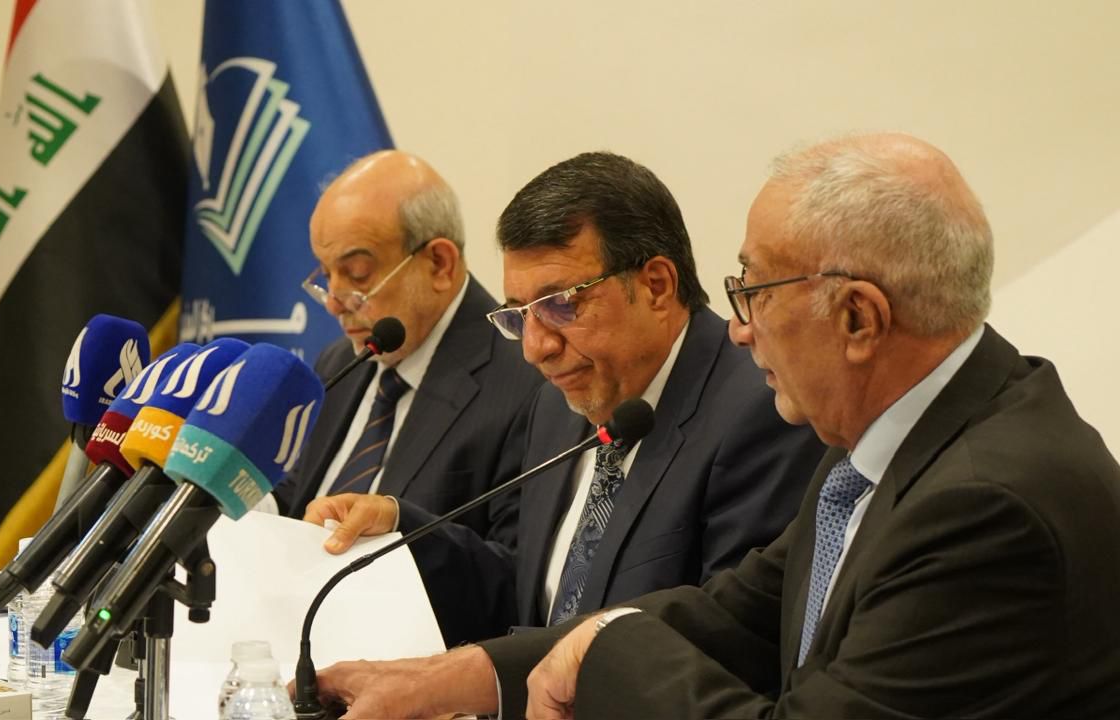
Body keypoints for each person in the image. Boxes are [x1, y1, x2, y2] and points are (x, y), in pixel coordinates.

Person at [308, 134, 1120, 719]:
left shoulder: (986, 506)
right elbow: (733, 613)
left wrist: (605, 648)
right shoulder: (884, 451)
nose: (737, 328)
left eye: (754, 292)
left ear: (858, 318)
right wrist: (455, 677)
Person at [303, 152, 825, 646]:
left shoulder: (759, 412)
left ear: (657, 286)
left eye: (559, 306)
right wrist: (401, 531)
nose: (536, 349)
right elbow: (532, 600)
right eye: (519, 315)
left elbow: (725, 642)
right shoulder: (559, 403)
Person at [268, 151, 544, 585]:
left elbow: (515, 580)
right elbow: (302, 494)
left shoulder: (529, 382)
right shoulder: (340, 361)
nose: (335, 303)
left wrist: (399, 523)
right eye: (326, 275)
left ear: (439, 264)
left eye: (358, 273)